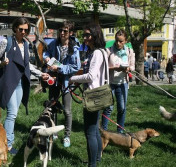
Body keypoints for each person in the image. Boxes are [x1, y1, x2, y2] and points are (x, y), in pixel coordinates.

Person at [0, 17, 49, 154]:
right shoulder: (7, 42)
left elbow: (27, 65)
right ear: (15, 28)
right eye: (21, 29)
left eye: (26, 30)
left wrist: (41, 74)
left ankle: (5, 139)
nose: (23, 32)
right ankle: (8, 144)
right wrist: (2, 63)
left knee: (13, 113)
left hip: (21, 83)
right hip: (8, 82)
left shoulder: (26, 45)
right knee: (12, 114)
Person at [69, 23, 107, 167]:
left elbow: (90, 76)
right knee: (95, 129)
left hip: (93, 95)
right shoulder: (100, 51)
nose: (84, 38)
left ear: (95, 36)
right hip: (99, 94)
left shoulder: (96, 53)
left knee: (90, 132)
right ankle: (96, 159)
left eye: (87, 35)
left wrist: (73, 78)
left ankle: (92, 164)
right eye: (84, 35)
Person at [43, 21, 81, 147]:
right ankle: (54, 132)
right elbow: (46, 52)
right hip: (53, 80)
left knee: (67, 110)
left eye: (65, 31)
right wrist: (47, 57)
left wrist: (59, 68)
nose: (62, 33)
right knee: (52, 106)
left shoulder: (74, 48)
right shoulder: (54, 43)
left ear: (71, 33)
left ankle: (67, 136)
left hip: (66, 82)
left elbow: (75, 67)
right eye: (61, 30)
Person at [101, 29, 135, 134]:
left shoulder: (129, 51)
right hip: (110, 83)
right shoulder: (108, 50)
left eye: (121, 41)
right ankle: (103, 130)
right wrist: (114, 68)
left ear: (126, 41)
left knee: (122, 108)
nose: (118, 43)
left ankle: (120, 131)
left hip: (123, 83)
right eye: (116, 40)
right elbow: (103, 67)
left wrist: (129, 69)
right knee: (108, 107)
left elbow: (133, 66)